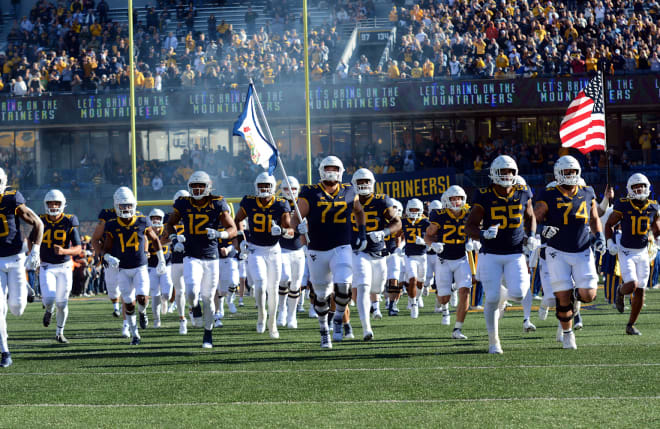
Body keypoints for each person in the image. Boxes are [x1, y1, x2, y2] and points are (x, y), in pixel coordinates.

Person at [291, 156, 367, 349]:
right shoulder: (310, 192)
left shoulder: (350, 190)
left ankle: (338, 318)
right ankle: (324, 330)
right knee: (322, 296)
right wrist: (298, 226)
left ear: (341, 171)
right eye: (328, 168)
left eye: (335, 168)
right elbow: (294, 219)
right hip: (317, 248)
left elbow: (359, 211)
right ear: (322, 171)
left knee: (344, 287)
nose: (331, 172)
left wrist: (363, 234)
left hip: (342, 246)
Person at [466, 155, 538, 354]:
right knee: (491, 298)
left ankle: (503, 295)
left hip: (515, 252)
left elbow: (531, 216)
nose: (507, 176)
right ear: (494, 173)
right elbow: (469, 226)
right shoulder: (484, 194)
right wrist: (482, 234)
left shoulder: (523, 192)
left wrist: (531, 235)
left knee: (519, 293)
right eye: (503, 172)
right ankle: (493, 341)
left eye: (510, 172)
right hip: (491, 253)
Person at [534, 156, 604, 349]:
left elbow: (594, 218)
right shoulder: (548, 194)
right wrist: (541, 231)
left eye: (572, 171)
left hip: (582, 250)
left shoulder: (587, 191)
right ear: (558, 173)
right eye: (566, 172)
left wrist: (599, 236)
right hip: (557, 251)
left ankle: (574, 294)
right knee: (562, 298)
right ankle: (567, 334)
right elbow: (535, 217)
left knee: (589, 294)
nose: (570, 175)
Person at [164, 171, 237, 349]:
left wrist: (220, 234)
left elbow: (233, 228)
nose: (197, 189)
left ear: (208, 187)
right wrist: (174, 239)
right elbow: (170, 224)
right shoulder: (183, 202)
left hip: (211, 256)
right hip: (191, 254)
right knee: (190, 291)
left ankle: (208, 333)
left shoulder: (217, 202)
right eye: (194, 186)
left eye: (200, 186)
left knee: (208, 298)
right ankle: (194, 308)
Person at [103, 187, 166, 346]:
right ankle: (135, 334)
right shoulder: (111, 225)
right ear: (117, 206)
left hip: (140, 267)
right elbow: (106, 247)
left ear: (134, 205)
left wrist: (161, 259)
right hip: (122, 269)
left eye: (129, 205)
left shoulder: (142, 220)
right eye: (123, 206)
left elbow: (154, 239)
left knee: (142, 297)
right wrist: (108, 257)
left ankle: (143, 312)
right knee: (129, 303)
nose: (126, 208)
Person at [234, 172, 292, 339]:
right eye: (261, 186)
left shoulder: (281, 204)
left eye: (267, 186)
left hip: (274, 250)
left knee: (273, 289)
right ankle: (261, 314)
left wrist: (281, 230)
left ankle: (272, 324)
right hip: (255, 249)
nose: (264, 189)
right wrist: (240, 238)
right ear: (256, 187)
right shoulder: (249, 202)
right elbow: (237, 219)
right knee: (259, 285)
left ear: (273, 187)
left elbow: (290, 230)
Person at [350, 168, 401, 340]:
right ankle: (366, 329)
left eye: (366, 181)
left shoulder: (381, 200)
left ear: (372, 183)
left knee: (377, 288)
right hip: (358, 251)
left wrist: (384, 232)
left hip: (378, 251)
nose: (363, 185)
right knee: (363, 285)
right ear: (354, 184)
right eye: (360, 182)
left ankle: (375, 306)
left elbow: (397, 223)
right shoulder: (347, 200)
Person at [606, 173, 660, 335]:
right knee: (632, 284)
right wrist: (610, 241)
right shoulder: (623, 205)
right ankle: (620, 291)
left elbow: (657, 228)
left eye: (642, 186)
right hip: (626, 250)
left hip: (643, 251)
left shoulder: (653, 206)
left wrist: (657, 237)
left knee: (641, 290)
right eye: (636, 187)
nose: (639, 190)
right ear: (630, 189)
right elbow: (609, 224)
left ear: (647, 187)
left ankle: (631, 325)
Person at [0, 168, 43, 368]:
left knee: (16, 309)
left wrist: (35, 251)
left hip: (16, 257)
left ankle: (24, 286)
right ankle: (5, 351)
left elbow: (38, 224)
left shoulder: (12, 198)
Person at [425, 186, 472, 339]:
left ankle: (457, 329)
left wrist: (474, 241)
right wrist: (433, 244)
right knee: (444, 297)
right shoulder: (439, 215)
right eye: (453, 198)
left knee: (465, 291)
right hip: (443, 260)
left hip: (461, 258)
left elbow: (476, 230)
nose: (456, 201)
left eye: (459, 198)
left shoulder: (469, 213)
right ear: (446, 200)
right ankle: (443, 303)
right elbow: (428, 236)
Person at [39, 190, 81, 344]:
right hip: (46, 266)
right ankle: (49, 310)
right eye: (51, 203)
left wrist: (64, 251)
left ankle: (59, 333)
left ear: (62, 204)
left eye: (56, 203)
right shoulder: (40, 220)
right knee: (49, 299)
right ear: (46, 204)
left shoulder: (69, 221)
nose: (54, 205)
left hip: (64, 266)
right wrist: (33, 254)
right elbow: (31, 239)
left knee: (62, 303)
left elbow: (78, 248)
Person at [277, 176, 305, 329]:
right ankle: (282, 309)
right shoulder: (278, 203)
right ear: (282, 189)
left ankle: (292, 315)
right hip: (282, 248)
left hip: (299, 248)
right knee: (284, 278)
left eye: (293, 188)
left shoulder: (303, 203)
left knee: (296, 284)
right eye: (287, 188)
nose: (290, 192)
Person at [398, 198, 430, 319]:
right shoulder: (404, 222)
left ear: (421, 210)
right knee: (412, 279)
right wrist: (399, 246)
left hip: (422, 256)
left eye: (416, 209)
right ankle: (413, 304)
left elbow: (433, 238)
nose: (414, 212)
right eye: (412, 209)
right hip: (409, 255)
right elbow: (398, 235)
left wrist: (424, 242)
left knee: (421, 282)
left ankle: (418, 296)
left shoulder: (425, 222)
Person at [168, 190, 190, 334]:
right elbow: (162, 240)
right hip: (176, 260)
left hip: (192, 257)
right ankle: (182, 319)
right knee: (180, 292)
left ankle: (194, 309)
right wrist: (173, 239)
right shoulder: (169, 219)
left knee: (193, 290)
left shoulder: (194, 216)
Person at [146, 209, 172, 329]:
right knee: (154, 295)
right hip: (152, 266)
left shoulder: (166, 230)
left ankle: (164, 299)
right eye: (153, 218)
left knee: (167, 293)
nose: (155, 220)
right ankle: (157, 319)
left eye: (158, 218)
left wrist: (165, 241)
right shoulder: (147, 232)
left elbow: (172, 239)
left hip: (167, 265)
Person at [385, 199, 405, 316]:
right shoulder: (379, 220)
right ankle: (374, 305)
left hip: (393, 253)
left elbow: (402, 237)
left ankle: (392, 304)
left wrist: (400, 247)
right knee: (378, 281)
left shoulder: (400, 223)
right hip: (379, 253)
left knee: (394, 278)